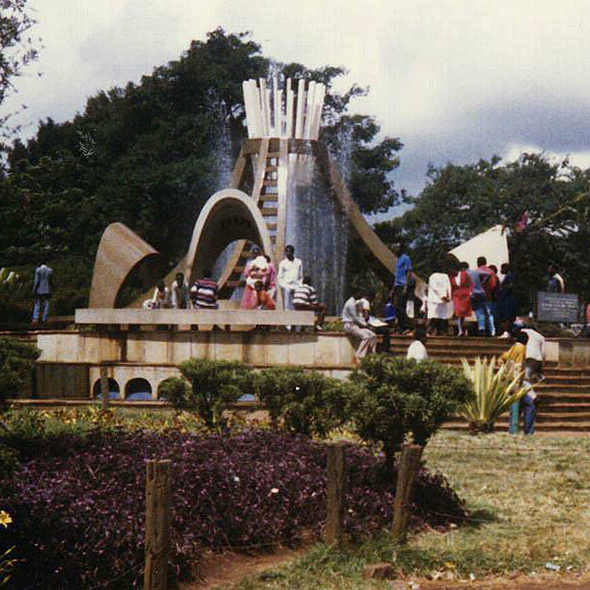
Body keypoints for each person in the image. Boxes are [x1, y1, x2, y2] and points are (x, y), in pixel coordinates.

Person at [500, 330, 528, 434]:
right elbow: (519, 365)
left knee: (512, 403)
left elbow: (503, 357)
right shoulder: (522, 348)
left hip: (509, 377)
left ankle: (512, 428)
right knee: (516, 403)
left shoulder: (514, 347)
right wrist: (518, 381)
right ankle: (513, 429)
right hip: (515, 379)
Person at [342, 291, 377, 362]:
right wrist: (367, 326)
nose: (360, 295)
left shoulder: (356, 303)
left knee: (373, 336)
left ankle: (371, 356)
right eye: (359, 294)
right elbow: (356, 318)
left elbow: (360, 316)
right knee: (366, 337)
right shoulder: (350, 304)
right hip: (349, 325)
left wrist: (367, 324)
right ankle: (358, 356)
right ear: (354, 294)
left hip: (356, 325)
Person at [391, 243, 413, 334]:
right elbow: (396, 276)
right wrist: (392, 289)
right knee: (397, 307)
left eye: (397, 247)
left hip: (403, 285)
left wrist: (406, 287)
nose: (395, 249)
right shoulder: (398, 260)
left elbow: (409, 272)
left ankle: (409, 326)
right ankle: (401, 328)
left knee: (400, 306)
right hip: (397, 286)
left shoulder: (406, 258)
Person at [427, 265, 453, 336]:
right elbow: (449, 288)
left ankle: (432, 331)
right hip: (440, 300)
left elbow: (435, 288)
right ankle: (438, 331)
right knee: (439, 317)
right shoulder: (445, 276)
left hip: (436, 300)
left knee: (436, 317)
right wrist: (448, 297)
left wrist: (443, 297)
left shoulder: (433, 276)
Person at [277, 245, 303, 311]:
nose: (287, 253)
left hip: (297, 286)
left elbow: (301, 276)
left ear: (293, 252)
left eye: (289, 251)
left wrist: (299, 285)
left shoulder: (298, 262)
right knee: (287, 306)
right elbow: (280, 277)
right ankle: (287, 320)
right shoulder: (282, 263)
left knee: (296, 304)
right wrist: (285, 286)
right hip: (287, 286)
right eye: (286, 251)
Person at [452, 262, 472, 337]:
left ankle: (461, 328)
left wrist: (470, 292)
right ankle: (460, 330)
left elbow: (470, 284)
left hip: (464, 295)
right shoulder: (452, 276)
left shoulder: (465, 274)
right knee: (457, 312)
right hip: (456, 295)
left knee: (462, 313)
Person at [497, 263, 517, 337]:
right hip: (507, 298)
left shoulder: (509, 276)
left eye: (502, 268)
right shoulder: (508, 276)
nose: (501, 270)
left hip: (508, 299)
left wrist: (502, 290)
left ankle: (507, 331)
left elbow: (510, 286)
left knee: (507, 315)